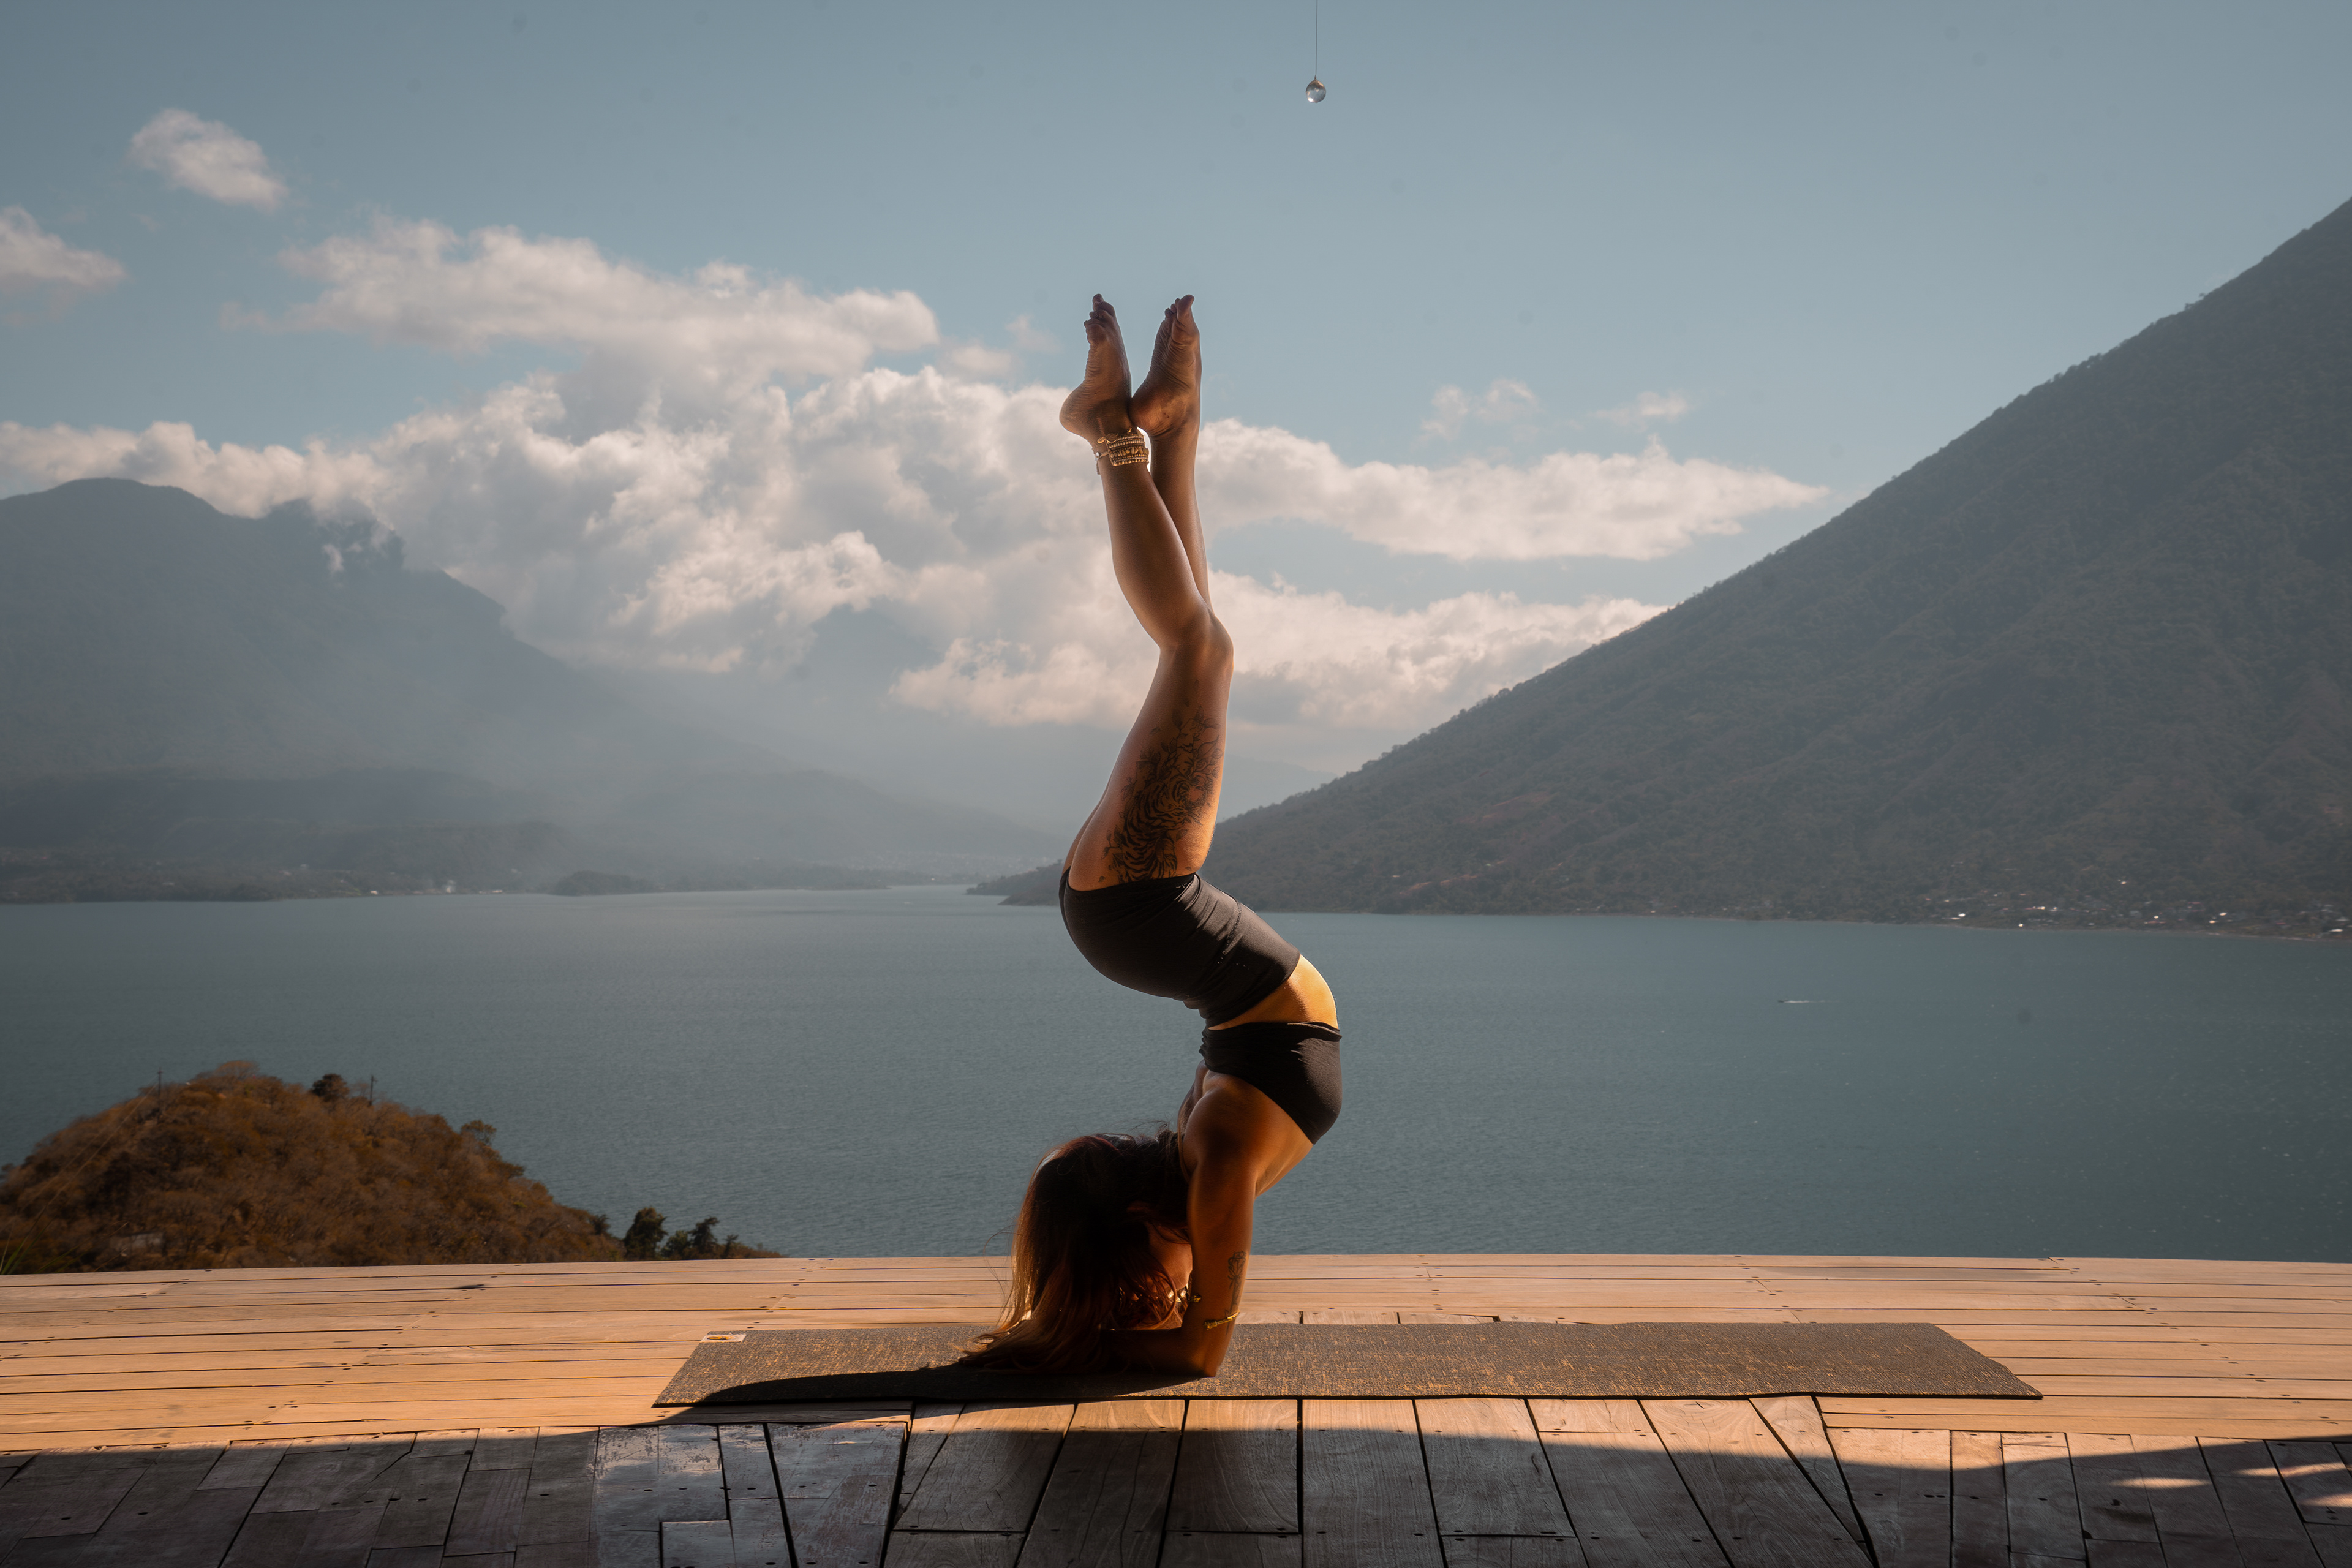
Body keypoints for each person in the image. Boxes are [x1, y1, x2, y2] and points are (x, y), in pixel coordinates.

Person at [960, 296, 1343, 1378]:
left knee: (1199, 653)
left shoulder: (1212, 1164)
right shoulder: (1195, 1157)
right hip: (1135, 912)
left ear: (1134, 1214)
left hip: (1141, 908)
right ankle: (1173, 432)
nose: (1169, 1287)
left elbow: (1200, 1354)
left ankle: (1108, 432)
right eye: (1154, 1291)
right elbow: (1193, 1327)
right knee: (1201, 639)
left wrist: (1135, 1329)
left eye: (1143, 1276)